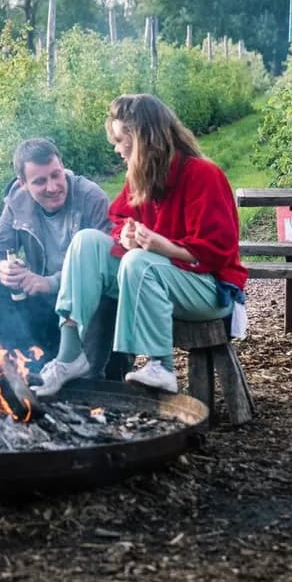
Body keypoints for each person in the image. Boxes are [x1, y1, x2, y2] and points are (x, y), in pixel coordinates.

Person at [36, 94, 247, 398]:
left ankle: (162, 366)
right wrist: (125, 236)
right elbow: (119, 218)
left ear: (143, 139)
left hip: (212, 291)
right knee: (86, 241)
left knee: (138, 262)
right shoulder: (141, 177)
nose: (116, 147)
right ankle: (70, 357)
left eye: (120, 139)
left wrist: (163, 247)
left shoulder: (203, 175)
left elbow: (217, 253)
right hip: (157, 278)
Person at [0, 137, 112, 369]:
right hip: (44, 308)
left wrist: (50, 283)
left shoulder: (91, 198)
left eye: (56, 175)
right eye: (40, 181)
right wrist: (0, 270)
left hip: (85, 311)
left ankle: (92, 376)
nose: (52, 187)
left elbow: (108, 268)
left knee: (105, 299)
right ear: (23, 183)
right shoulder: (17, 202)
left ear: (62, 166)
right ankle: (31, 366)